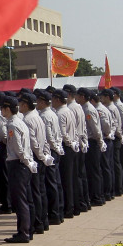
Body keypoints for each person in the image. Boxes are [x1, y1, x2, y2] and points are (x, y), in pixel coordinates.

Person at [1, 96, 37, 243]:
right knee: (25, 199)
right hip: (22, 164)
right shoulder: (19, 122)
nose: (1, 110)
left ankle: (24, 232)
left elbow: (18, 148)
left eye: (2, 108)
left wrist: (25, 161)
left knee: (20, 200)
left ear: (8, 109)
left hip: (18, 164)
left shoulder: (13, 125)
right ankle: (25, 230)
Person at [20, 92, 53, 235]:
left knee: (34, 193)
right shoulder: (38, 117)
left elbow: (33, 142)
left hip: (34, 157)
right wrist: (45, 155)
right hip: (40, 156)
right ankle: (43, 221)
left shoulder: (27, 119)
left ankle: (37, 223)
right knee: (40, 191)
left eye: (21, 103)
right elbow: (44, 139)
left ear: (25, 105)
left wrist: (39, 156)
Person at [36, 89, 64, 227]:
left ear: (42, 101)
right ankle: (58, 211)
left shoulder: (45, 116)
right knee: (55, 182)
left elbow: (48, 136)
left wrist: (51, 149)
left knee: (51, 183)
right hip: (55, 150)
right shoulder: (52, 113)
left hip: (50, 151)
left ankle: (54, 213)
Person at [77, 88, 106, 207]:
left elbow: (95, 128)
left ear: (83, 96)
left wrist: (100, 141)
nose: (76, 98)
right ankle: (95, 195)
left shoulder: (88, 109)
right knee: (91, 171)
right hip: (90, 142)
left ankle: (97, 196)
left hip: (92, 142)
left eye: (77, 96)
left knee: (94, 171)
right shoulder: (84, 108)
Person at [53, 89, 77, 219]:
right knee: (69, 178)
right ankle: (70, 206)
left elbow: (62, 133)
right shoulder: (68, 110)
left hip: (66, 147)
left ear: (57, 99)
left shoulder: (61, 113)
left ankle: (68, 208)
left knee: (65, 180)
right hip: (71, 146)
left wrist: (68, 142)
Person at [63, 84, 87, 212]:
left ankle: (75, 205)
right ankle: (81, 203)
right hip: (78, 142)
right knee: (78, 175)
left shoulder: (70, 108)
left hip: (73, 144)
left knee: (71, 178)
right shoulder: (78, 107)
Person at [94, 91, 116, 201]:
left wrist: (107, 133)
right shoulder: (104, 108)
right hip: (108, 139)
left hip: (105, 139)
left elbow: (106, 124)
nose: (101, 98)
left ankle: (107, 192)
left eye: (102, 96)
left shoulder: (99, 109)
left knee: (105, 167)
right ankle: (110, 191)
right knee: (108, 166)